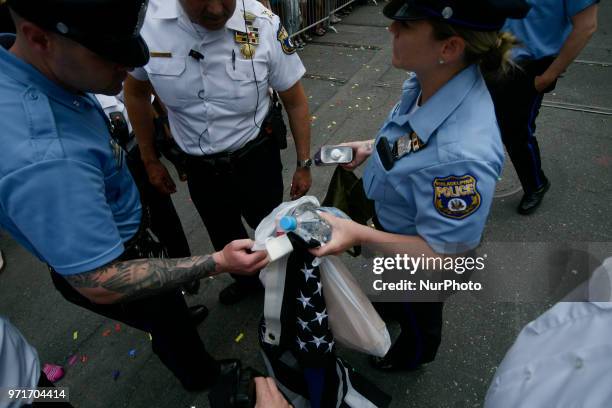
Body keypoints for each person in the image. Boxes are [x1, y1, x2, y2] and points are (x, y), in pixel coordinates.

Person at [0, 0, 268, 392]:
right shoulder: (46, 159)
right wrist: (217, 262)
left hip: (126, 230)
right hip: (116, 260)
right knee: (166, 321)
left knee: (167, 309)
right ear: (39, 38)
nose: (125, 69)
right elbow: (100, 280)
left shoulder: (41, 70)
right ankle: (205, 377)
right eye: (111, 56)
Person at [311, 0, 529, 371]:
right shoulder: (430, 79)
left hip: (421, 262)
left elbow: (445, 257)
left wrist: (357, 234)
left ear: (449, 47)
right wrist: (370, 147)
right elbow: (412, 137)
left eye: (406, 25)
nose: (391, 30)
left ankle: (412, 355)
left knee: (418, 312)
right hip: (396, 230)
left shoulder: (461, 157)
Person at [124, 0, 313, 306]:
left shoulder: (262, 23)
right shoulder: (148, 24)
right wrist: (149, 159)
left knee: (272, 228)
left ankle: (285, 284)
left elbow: (295, 100)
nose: (215, 10)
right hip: (200, 169)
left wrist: (303, 163)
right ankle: (247, 281)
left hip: (256, 158)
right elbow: (135, 92)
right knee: (223, 233)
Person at [95, 92, 209, 323]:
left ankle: (183, 276)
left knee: (165, 220)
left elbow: (138, 94)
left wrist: (163, 144)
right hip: (101, 172)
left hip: (133, 150)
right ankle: (172, 316)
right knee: (133, 249)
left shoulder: (97, 71)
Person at [487, 0, 599, 215]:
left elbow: (587, 26)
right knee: (480, 121)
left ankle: (535, 184)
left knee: (516, 132)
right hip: (492, 55)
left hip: (530, 66)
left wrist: (549, 75)